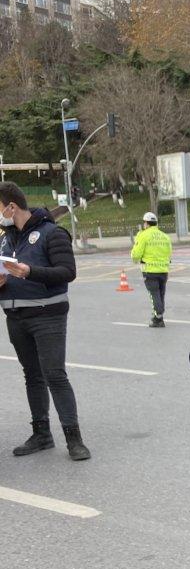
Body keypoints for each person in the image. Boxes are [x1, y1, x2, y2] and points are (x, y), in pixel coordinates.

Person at [0, 181, 90, 460]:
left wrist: (30, 272)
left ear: (11, 207)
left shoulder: (52, 233)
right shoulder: (6, 239)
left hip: (47, 316)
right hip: (15, 317)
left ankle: (74, 439)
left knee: (55, 375)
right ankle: (41, 434)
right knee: (32, 376)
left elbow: (67, 272)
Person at [131, 211, 172, 327]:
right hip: (163, 270)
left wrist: (134, 256)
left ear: (146, 223)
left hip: (149, 270)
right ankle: (159, 316)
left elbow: (136, 254)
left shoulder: (143, 235)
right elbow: (169, 253)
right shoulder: (165, 236)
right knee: (160, 294)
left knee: (154, 294)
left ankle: (158, 317)